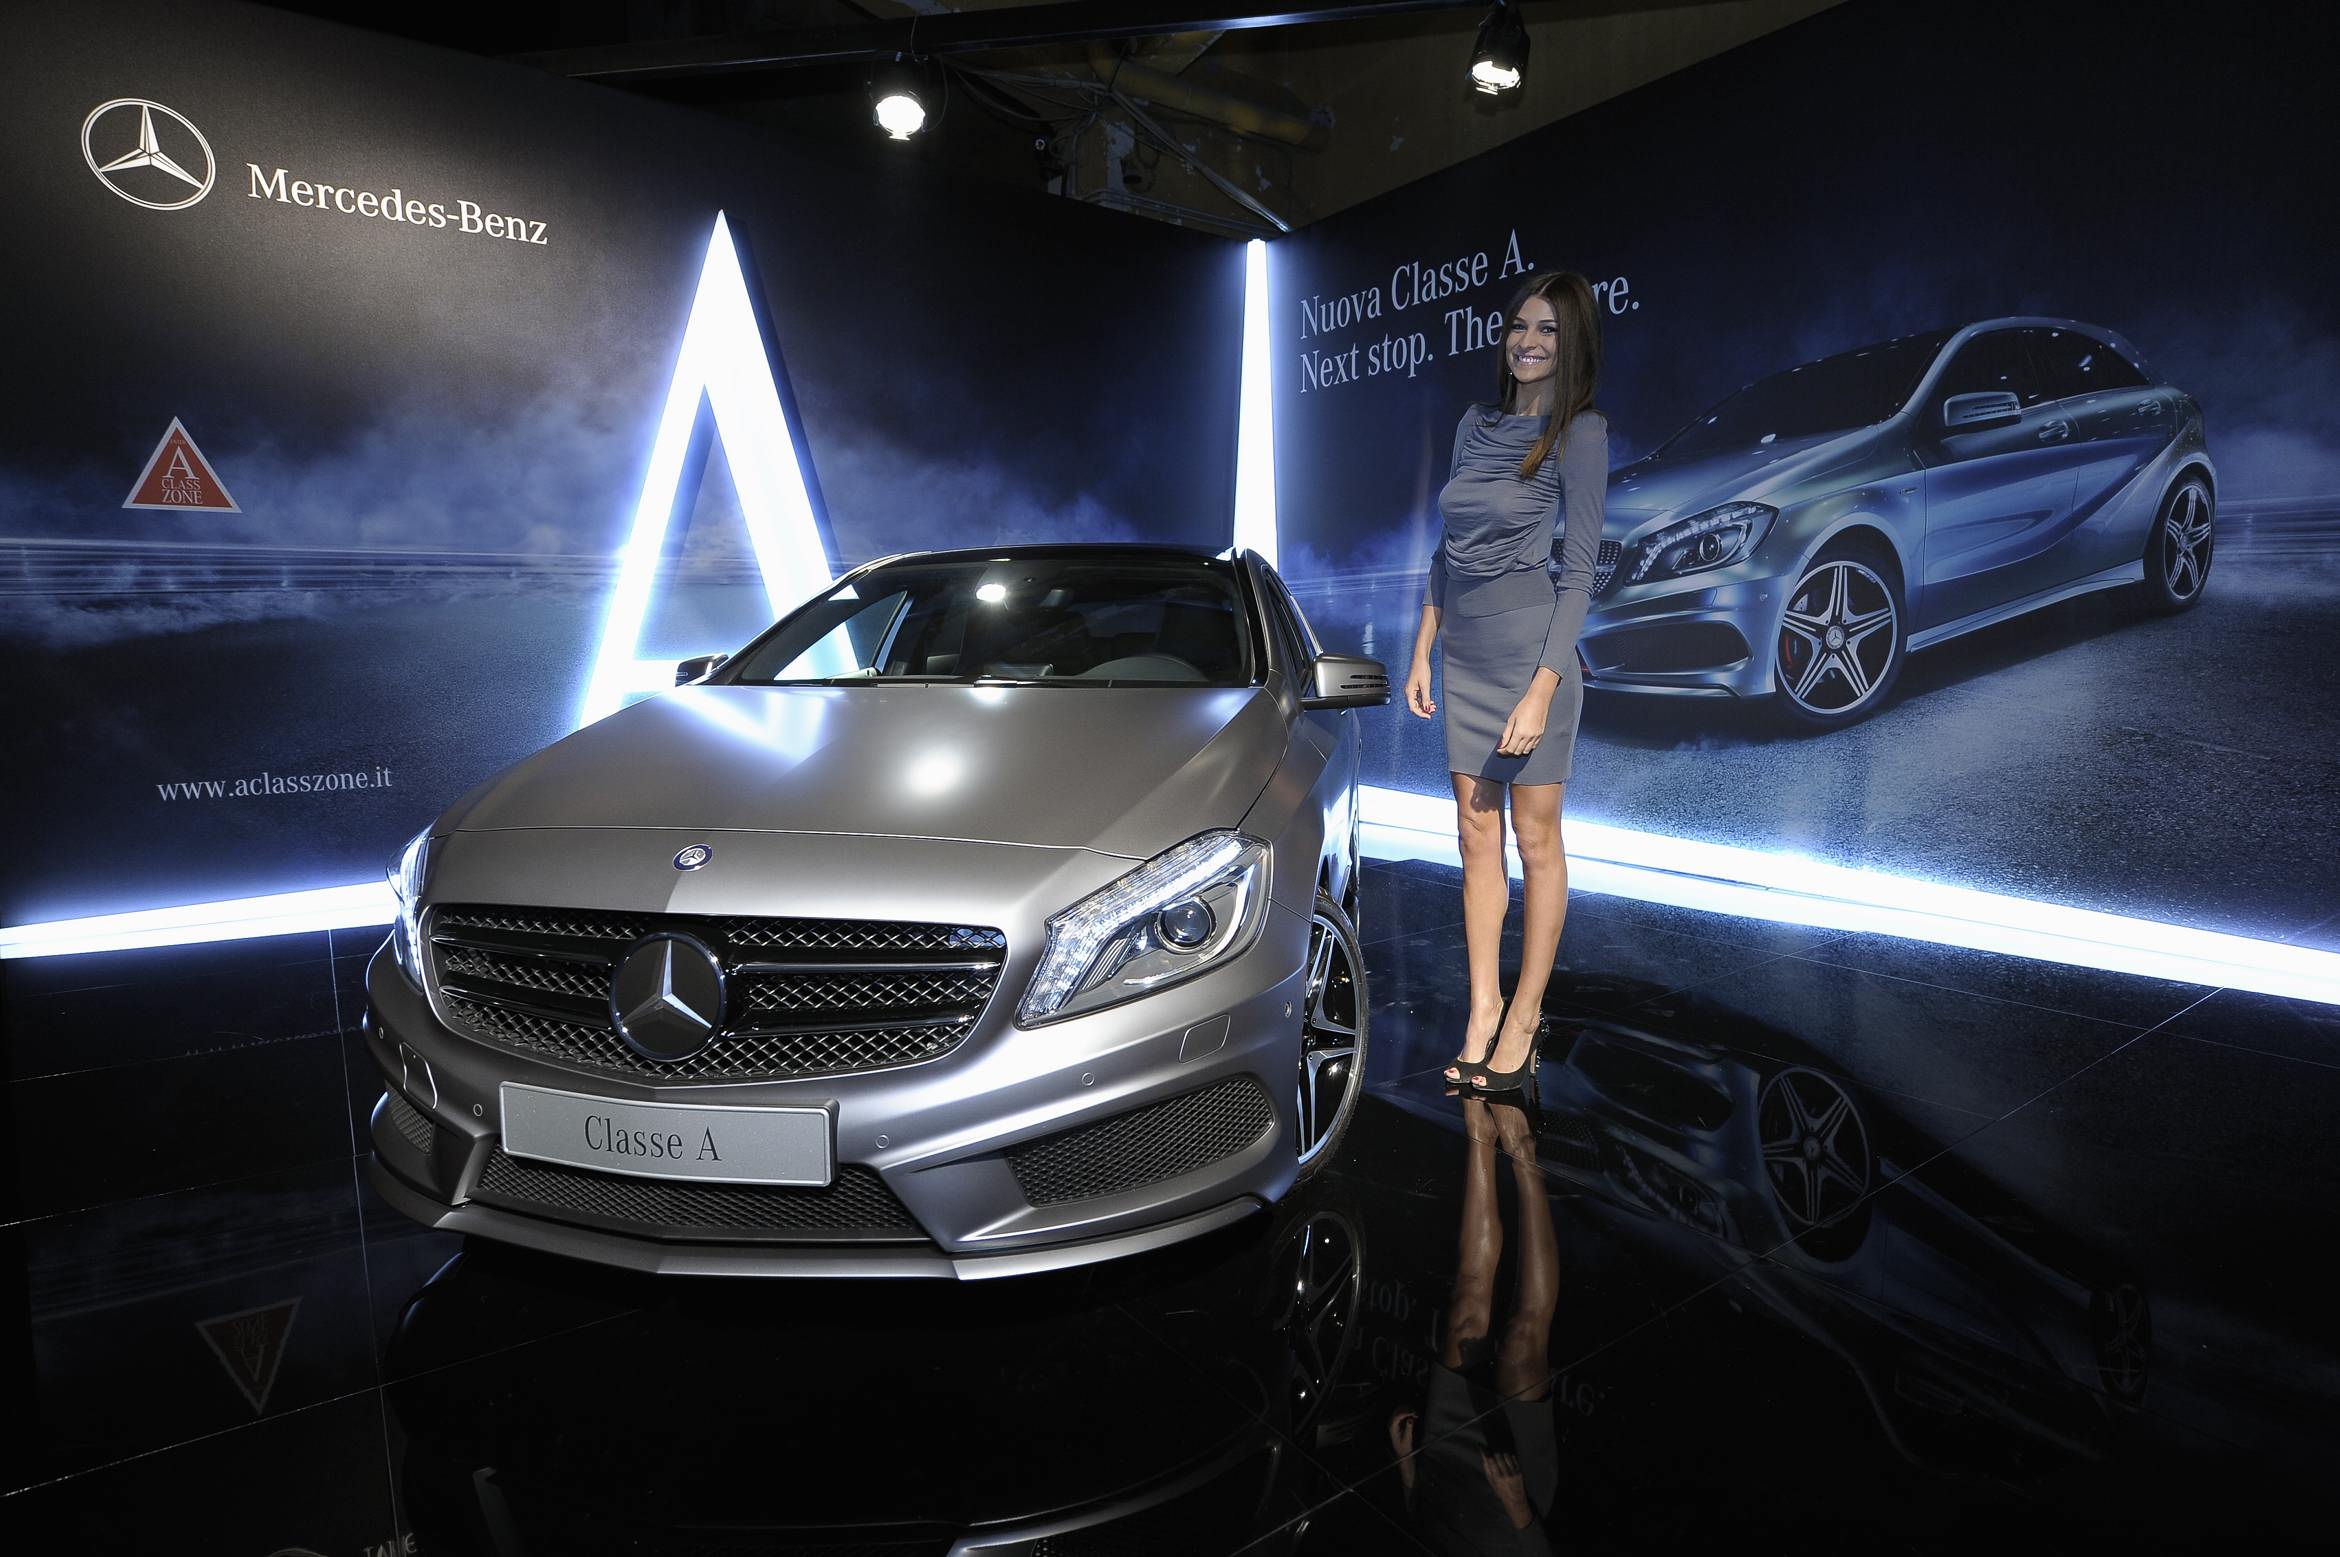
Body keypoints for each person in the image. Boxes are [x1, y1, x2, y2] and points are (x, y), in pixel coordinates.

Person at [1404, 270, 1608, 1094]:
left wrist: (1542, 688)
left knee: (1535, 840)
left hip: (1530, 657)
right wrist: (1423, 648)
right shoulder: (1474, 424)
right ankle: (1482, 1010)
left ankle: (1525, 1016)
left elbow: (1580, 572)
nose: (1528, 341)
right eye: (1520, 325)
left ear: (1573, 342)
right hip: (1465, 656)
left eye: (1548, 330)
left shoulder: (1581, 434)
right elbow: (1445, 552)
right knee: (1473, 835)